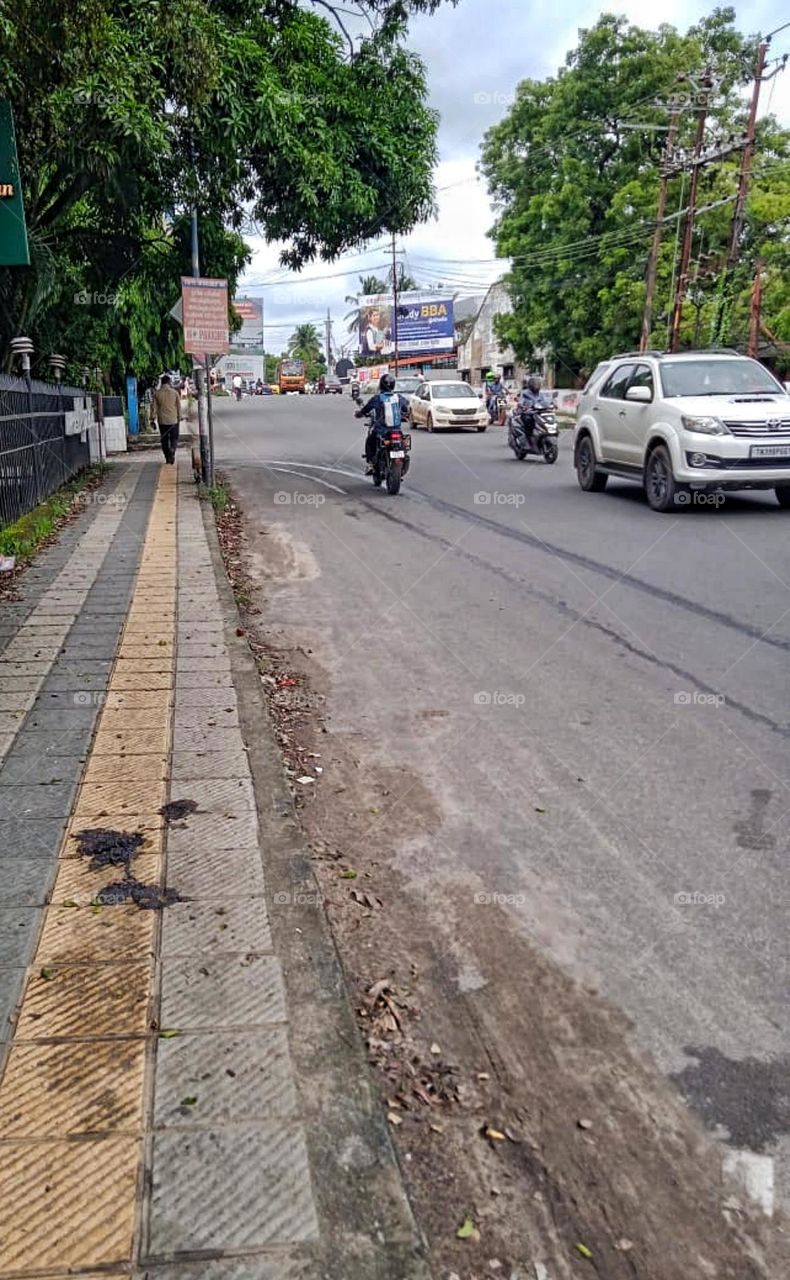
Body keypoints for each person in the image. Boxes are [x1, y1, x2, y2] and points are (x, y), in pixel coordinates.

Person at [355, 373, 410, 474]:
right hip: (397, 431)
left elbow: (366, 409)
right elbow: (407, 407)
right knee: (403, 444)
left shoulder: (378, 398)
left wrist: (359, 414)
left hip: (381, 431)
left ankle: (371, 464)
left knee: (369, 441)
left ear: (381, 385)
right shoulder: (398, 397)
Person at [151, 374, 181, 465]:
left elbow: (154, 408)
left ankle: (167, 457)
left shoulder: (157, 394)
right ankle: (172, 450)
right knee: (174, 438)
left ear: (162, 382)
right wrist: (179, 417)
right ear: (169, 382)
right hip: (173, 420)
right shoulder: (175, 392)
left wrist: (152, 419)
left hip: (162, 421)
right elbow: (178, 407)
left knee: (164, 440)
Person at [517, 374, 547, 445]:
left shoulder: (541, 394)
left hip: (538, 412)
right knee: (528, 420)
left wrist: (552, 404)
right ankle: (528, 437)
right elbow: (520, 401)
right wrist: (522, 406)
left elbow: (545, 401)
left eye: (538, 384)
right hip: (527, 413)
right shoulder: (524, 393)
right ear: (530, 385)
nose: (537, 386)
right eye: (535, 384)